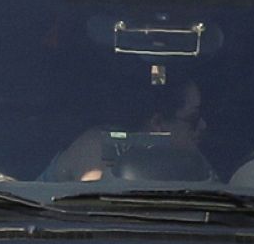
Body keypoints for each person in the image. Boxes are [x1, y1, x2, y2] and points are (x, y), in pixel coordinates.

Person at [44, 77, 211, 182]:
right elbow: (97, 212)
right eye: (193, 118)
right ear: (158, 123)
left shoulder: (192, 160)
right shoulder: (99, 147)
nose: (203, 125)